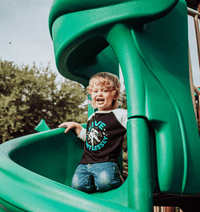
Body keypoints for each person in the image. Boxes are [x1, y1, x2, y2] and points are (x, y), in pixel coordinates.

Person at [59, 72, 127, 193]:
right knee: (77, 185)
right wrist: (77, 127)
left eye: (105, 91)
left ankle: (118, 179)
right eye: (95, 91)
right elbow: (89, 138)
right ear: (91, 94)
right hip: (85, 162)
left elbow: (135, 123)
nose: (99, 94)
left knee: (105, 182)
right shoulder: (92, 117)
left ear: (115, 95)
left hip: (106, 161)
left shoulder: (120, 114)